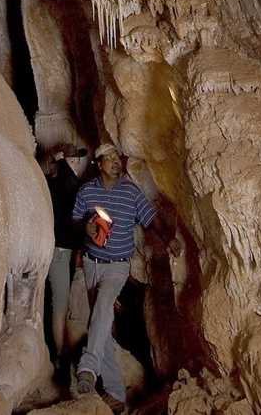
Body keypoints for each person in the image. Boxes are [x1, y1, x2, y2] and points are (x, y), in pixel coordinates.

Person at [72, 143, 180, 413]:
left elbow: (151, 219)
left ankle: (88, 368)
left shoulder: (130, 192)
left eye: (116, 158)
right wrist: (84, 227)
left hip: (118, 266)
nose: (115, 162)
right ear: (98, 164)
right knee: (104, 327)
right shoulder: (88, 191)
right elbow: (72, 222)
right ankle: (116, 394)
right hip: (91, 262)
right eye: (107, 159)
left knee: (102, 308)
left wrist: (168, 238)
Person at [42, 144, 87, 380]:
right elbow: (75, 223)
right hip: (62, 251)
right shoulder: (70, 185)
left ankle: (61, 352)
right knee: (61, 305)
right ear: (73, 161)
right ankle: (61, 357)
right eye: (78, 158)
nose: (80, 163)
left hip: (60, 249)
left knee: (59, 304)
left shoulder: (53, 181)